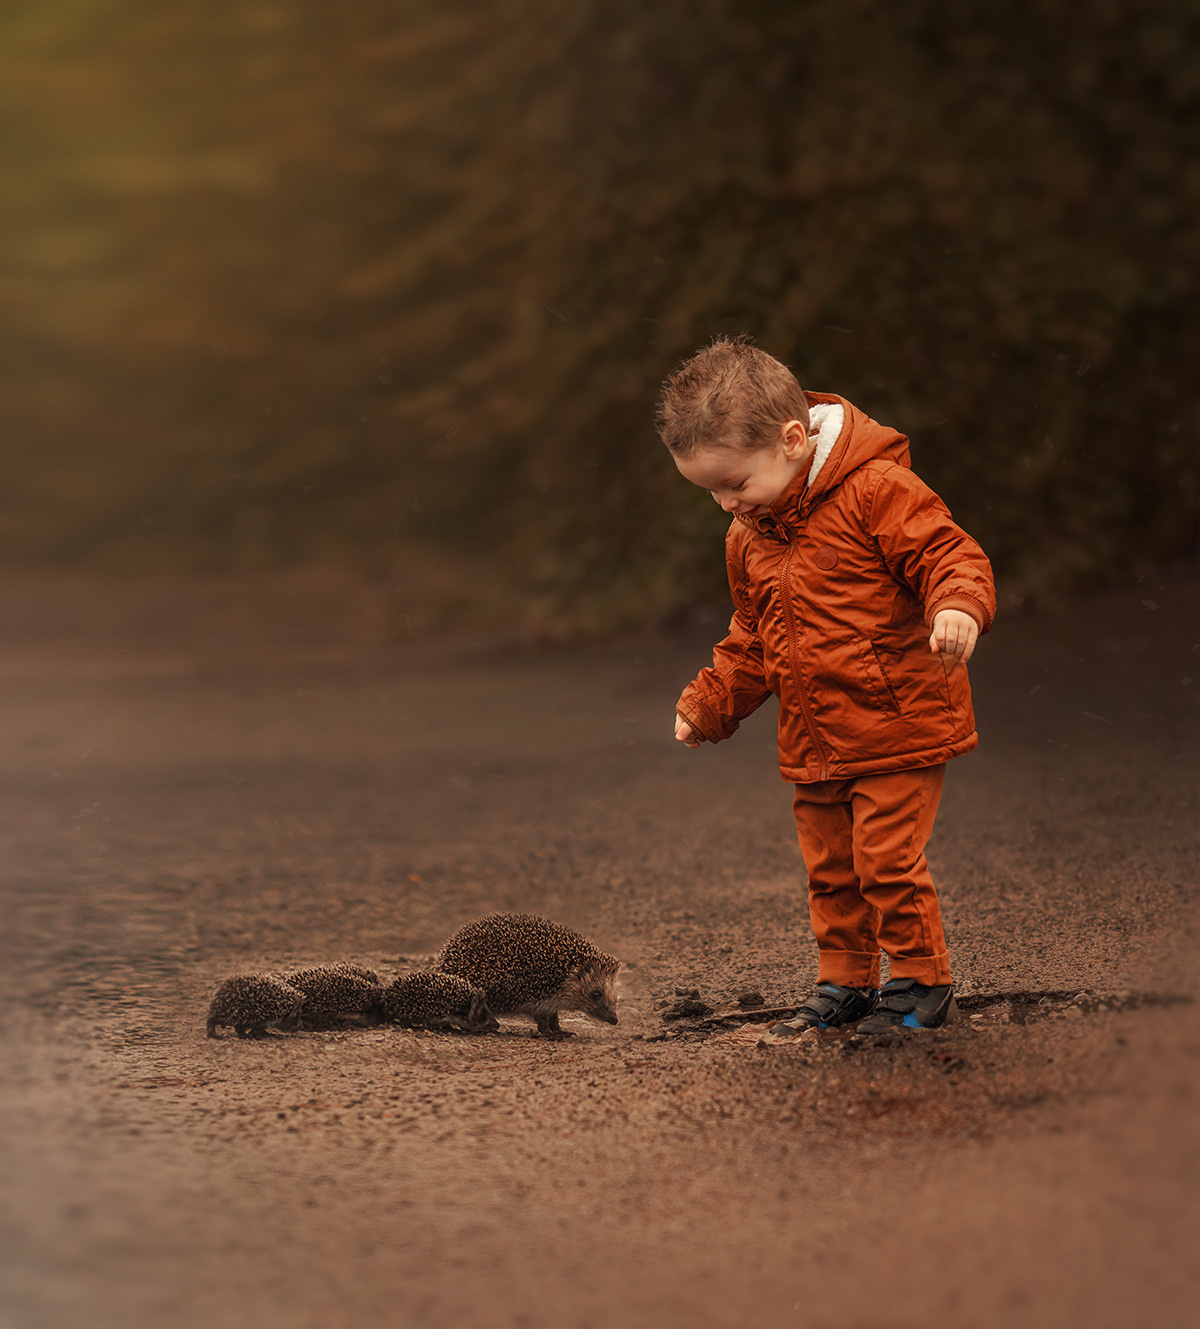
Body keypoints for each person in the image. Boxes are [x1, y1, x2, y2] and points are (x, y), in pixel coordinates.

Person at [658, 335, 995, 1035]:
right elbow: (752, 636)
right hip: (814, 735)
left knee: (886, 860)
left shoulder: (877, 491)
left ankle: (921, 982)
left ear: (791, 439)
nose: (725, 503)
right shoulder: (751, 533)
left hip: (897, 719)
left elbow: (948, 552)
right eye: (711, 491)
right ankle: (845, 980)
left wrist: (957, 604)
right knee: (832, 868)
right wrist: (711, 702)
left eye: (735, 483)